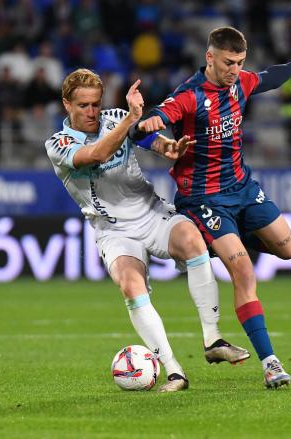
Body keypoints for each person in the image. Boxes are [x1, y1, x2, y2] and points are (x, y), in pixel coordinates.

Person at [44, 68, 250, 393]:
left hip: (152, 213)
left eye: (96, 104)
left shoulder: (115, 118)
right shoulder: (59, 143)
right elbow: (97, 153)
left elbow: (145, 137)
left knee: (194, 241)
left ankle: (213, 339)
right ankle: (174, 372)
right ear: (66, 104)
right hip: (113, 231)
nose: (92, 112)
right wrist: (130, 120)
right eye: (83, 105)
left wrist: (166, 146)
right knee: (130, 285)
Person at [138, 27, 291, 389]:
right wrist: (154, 124)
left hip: (242, 187)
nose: (234, 70)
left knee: (289, 248)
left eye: (239, 63)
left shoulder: (242, 83)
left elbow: (271, 78)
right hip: (204, 199)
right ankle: (271, 364)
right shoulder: (190, 96)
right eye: (227, 63)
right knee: (245, 274)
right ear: (209, 58)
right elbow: (145, 127)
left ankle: (220, 246)